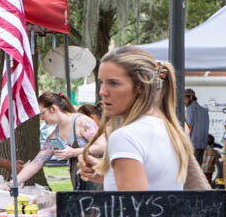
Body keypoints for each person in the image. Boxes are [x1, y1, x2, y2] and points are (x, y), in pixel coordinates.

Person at [78, 47, 191, 191]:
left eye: (113, 83)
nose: (102, 92)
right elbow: (153, 183)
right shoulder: (168, 128)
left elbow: (134, 209)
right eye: (102, 82)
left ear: (140, 87)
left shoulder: (125, 137)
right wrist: (111, 175)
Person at [15, 92, 98, 188]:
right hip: (81, 185)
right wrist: (14, 183)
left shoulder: (82, 122)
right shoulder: (55, 137)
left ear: (53, 108)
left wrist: (74, 152)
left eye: (42, 113)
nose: (42, 118)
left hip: (100, 183)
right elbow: (37, 163)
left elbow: (103, 146)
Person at [184, 89, 210, 162]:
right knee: (199, 167)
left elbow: (189, 128)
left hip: (193, 144)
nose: (184, 102)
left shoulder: (190, 109)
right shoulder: (204, 111)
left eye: (185, 99)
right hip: (202, 144)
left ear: (191, 97)